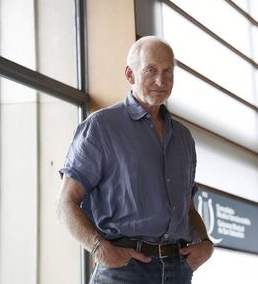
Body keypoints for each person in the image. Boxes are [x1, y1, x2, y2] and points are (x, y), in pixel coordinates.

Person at [57, 36, 213, 284]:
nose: (161, 81)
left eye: (168, 72)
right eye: (151, 70)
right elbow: (66, 203)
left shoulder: (183, 138)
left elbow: (187, 208)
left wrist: (205, 243)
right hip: (124, 271)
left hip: (178, 271)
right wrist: (98, 247)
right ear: (130, 75)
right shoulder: (101, 127)